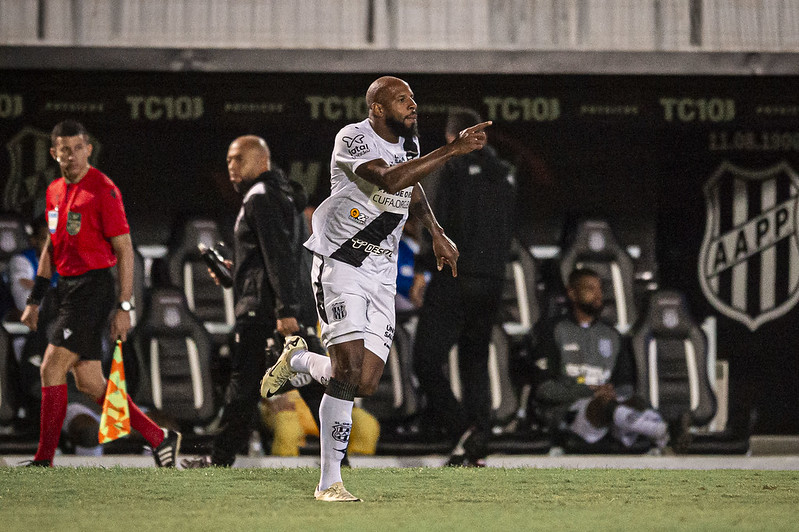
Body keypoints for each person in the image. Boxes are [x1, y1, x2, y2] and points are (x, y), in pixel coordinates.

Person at [260, 75, 491, 502]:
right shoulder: (353, 138)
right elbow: (388, 180)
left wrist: (436, 231)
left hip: (382, 274)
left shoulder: (411, 143)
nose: (412, 105)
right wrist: (454, 149)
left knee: (363, 383)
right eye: (402, 100)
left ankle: (299, 360)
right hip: (342, 262)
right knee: (346, 372)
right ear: (377, 109)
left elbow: (413, 187)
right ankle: (330, 482)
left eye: (414, 98)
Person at [19, 119, 181, 467]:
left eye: (79, 148)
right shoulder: (54, 192)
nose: (73, 156)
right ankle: (158, 437)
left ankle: (44, 460)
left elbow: (124, 249)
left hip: (93, 287)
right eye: (66, 150)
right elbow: (51, 247)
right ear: (54, 153)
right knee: (92, 383)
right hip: (66, 289)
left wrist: (124, 305)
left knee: (50, 367)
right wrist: (35, 300)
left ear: (88, 149)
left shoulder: (103, 190)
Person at [181, 135, 329, 468]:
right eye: (229, 160)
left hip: (264, 310)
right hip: (271, 302)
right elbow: (269, 257)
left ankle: (220, 460)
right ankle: (339, 461)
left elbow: (279, 256)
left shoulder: (260, 196)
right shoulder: (276, 195)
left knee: (248, 386)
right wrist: (237, 273)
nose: (231, 167)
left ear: (262, 161)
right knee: (281, 385)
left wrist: (285, 310)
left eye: (239, 159)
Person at [402, 108, 517, 467]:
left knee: (425, 361)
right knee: (475, 362)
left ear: (454, 137)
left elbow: (437, 220)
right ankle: (476, 442)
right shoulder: (507, 174)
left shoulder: (450, 168)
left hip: (455, 279)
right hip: (492, 282)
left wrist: (422, 271)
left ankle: (462, 429)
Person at [533, 267, 668, 452]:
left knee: (636, 402)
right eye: (590, 289)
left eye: (600, 289)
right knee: (601, 405)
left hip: (610, 410)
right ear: (572, 293)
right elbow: (544, 389)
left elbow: (625, 385)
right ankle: (662, 432)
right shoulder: (552, 331)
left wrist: (612, 393)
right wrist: (587, 392)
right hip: (570, 411)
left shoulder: (613, 335)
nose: (598, 295)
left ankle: (658, 430)